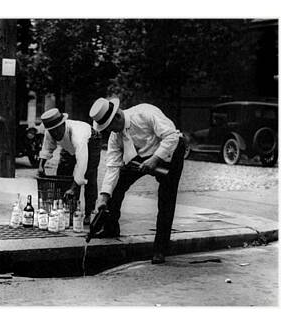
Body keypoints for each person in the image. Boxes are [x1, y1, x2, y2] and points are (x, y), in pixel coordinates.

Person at [89, 97, 186, 264]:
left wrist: (155, 159)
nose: (110, 131)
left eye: (110, 126)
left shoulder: (144, 114)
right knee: (117, 187)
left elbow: (171, 136)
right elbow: (112, 166)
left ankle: (160, 249)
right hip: (139, 156)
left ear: (117, 117)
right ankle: (111, 228)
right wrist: (103, 197)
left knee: (166, 200)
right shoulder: (115, 136)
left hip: (169, 150)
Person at [38, 108, 102, 224]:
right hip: (68, 146)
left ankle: (89, 212)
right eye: (52, 131)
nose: (55, 134)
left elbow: (82, 163)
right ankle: (67, 209)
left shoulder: (78, 135)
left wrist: (74, 187)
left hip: (91, 141)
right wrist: (41, 165)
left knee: (89, 176)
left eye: (57, 130)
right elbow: (47, 147)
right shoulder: (50, 131)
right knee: (62, 173)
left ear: (63, 124)